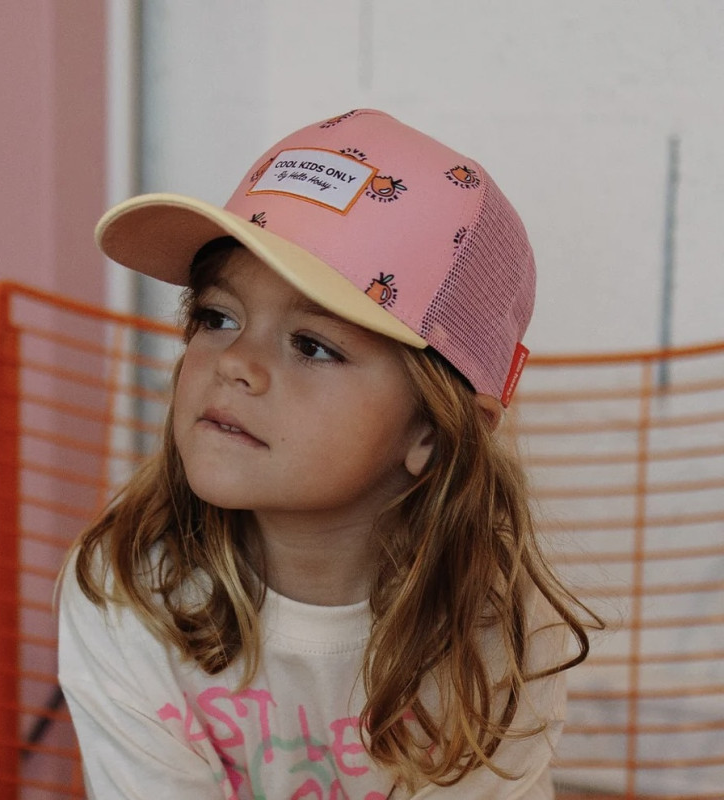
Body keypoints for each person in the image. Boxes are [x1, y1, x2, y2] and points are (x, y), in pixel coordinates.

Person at [58, 108, 598, 799]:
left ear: (430, 433)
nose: (236, 366)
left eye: (314, 345)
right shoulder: (122, 593)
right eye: (217, 318)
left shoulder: (501, 624)